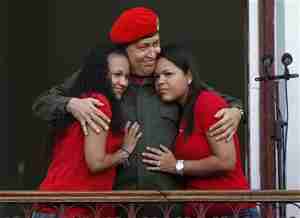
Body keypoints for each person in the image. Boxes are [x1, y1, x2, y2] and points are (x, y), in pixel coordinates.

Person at [32, 7, 245, 218]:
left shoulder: (168, 76)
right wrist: (71, 104)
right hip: (118, 207)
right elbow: (42, 103)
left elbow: (220, 99)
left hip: (168, 207)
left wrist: (237, 111)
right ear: (124, 51)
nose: (154, 53)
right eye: (144, 47)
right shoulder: (104, 75)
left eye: (156, 43)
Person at [142, 44, 259, 218]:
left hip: (231, 211)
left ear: (188, 76)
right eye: (156, 77)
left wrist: (176, 166)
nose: (160, 81)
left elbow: (226, 161)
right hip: (202, 211)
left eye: (168, 74)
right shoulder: (182, 111)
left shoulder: (207, 102)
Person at [32, 45, 142, 218]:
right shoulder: (98, 103)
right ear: (100, 73)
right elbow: (95, 163)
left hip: (58, 205)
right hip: (71, 209)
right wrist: (124, 151)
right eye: (117, 75)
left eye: (127, 77)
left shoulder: (85, 99)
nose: (123, 83)